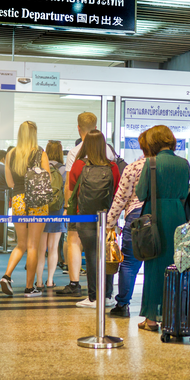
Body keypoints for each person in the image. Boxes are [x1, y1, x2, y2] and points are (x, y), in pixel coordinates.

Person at [135, 125, 190, 332]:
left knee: (154, 266)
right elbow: (185, 191)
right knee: (176, 266)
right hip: (178, 215)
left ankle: (151, 319)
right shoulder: (184, 164)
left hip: (155, 217)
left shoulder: (151, 163)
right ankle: (173, 315)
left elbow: (141, 193)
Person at [69, 130, 120, 308]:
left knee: (91, 255)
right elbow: (117, 193)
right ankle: (107, 296)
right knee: (107, 254)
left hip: (85, 217)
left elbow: (72, 189)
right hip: (107, 218)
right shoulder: (113, 167)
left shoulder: (78, 166)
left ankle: (92, 297)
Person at [0, 121, 51, 297]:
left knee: (20, 244)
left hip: (19, 199)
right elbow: (47, 180)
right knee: (33, 245)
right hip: (37, 202)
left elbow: (10, 183)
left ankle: (7, 276)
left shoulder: (11, 154)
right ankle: (29, 288)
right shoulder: (40, 153)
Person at [57, 112, 102, 298]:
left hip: (79, 208)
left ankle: (75, 283)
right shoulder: (107, 150)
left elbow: (70, 185)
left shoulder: (76, 152)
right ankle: (101, 286)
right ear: (96, 126)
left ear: (78, 128)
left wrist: (68, 207)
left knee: (74, 241)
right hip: (102, 209)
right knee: (99, 245)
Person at [107, 130, 149, 318]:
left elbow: (121, 197)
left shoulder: (133, 167)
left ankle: (122, 304)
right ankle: (155, 308)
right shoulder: (168, 166)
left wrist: (110, 223)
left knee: (130, 263)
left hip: (136, 216)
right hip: (161, 216)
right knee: (157, 264)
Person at [36, 141, 67, 289]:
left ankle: (39, 281)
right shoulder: (63, 169)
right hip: (57, 210)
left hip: (42, 209)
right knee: (53, 248)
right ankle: (50, 280)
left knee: (41, 249)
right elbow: (66, 190)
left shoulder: (41, 166)